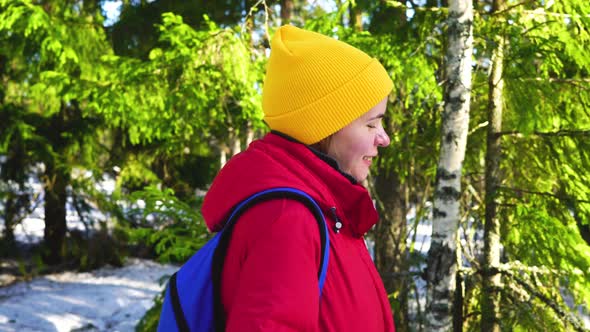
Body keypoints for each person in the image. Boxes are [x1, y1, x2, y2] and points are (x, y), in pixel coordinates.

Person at [201, 25, 396, 332]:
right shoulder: (288, 219)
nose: (384, 138)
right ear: (324, 128)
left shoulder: (327, 210)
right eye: (371, 125)